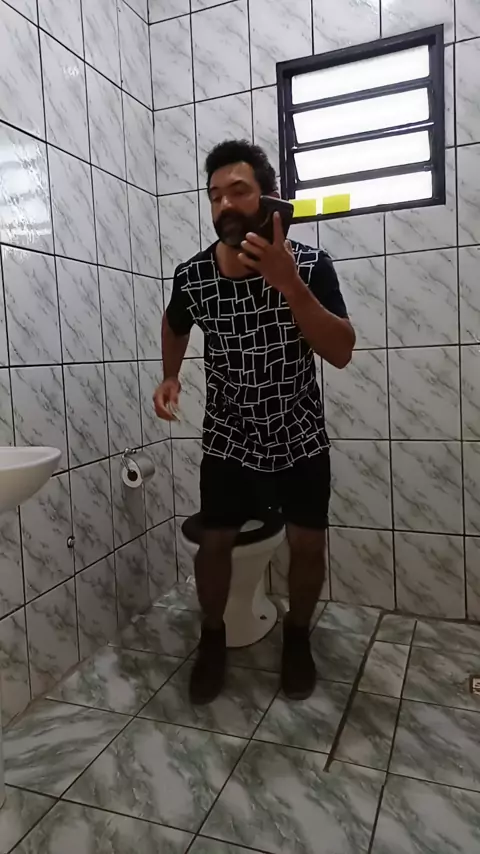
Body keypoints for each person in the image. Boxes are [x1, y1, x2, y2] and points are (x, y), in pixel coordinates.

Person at [153, 140, 355, 705]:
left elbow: (341, 351)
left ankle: (297, 637)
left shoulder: (310, 265)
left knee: (307, 544)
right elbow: (175, 323)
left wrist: (289, 283)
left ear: (267, 197)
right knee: (214, 543)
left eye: (237, 191)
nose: (224, 204)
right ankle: (212, 638)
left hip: (298, 431)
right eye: (214, 195)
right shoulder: (193, 276)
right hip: (228, 435)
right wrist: (170, 375)